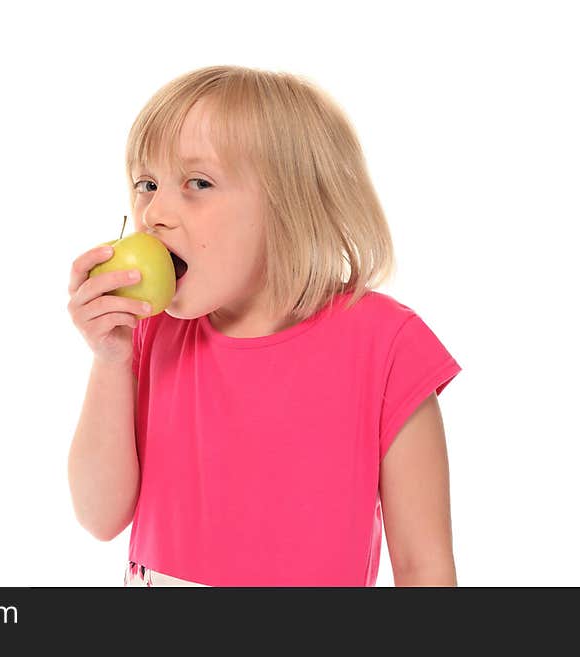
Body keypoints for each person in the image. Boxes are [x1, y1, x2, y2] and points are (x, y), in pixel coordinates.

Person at [66, 65, 462, 587]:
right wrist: (109, 360)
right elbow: (99, 517)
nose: (153, 213)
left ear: (290, 206)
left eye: (197, 183)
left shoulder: (384, 345)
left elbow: (423, 567)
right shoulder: (150, 333)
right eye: (146, 183)